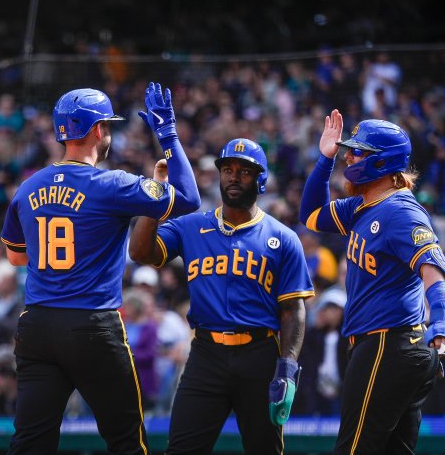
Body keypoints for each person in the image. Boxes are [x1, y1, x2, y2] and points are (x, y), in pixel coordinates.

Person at [0, 83, 201, 454]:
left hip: (38, 324)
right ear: (97, 130)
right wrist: (168, 136)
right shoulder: (112, 184)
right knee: (125, 439)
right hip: (92, 324)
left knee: (30, 442)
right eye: (107, 125)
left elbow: (16, 257)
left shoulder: (28, 188)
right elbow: (189, 197)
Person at [129, 138, 312, 454]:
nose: (233, 177)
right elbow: (140, 251)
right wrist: (155, 193)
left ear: (261, 180)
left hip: (260, 355)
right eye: (227, 169)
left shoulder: (283, 238)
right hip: (206, 354)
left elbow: (293, 310)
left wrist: (287, 367)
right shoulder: (192, 226)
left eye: (244, 171)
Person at [299, 111, 445, 454]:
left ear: (382, 162)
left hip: (388, 344)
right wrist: (325, 158)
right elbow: (310, 215)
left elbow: (433, 271)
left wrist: (444, 322)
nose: (349, 156)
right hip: (389, 347)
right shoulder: (362, 206)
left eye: (357, 152)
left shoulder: (401, 211)